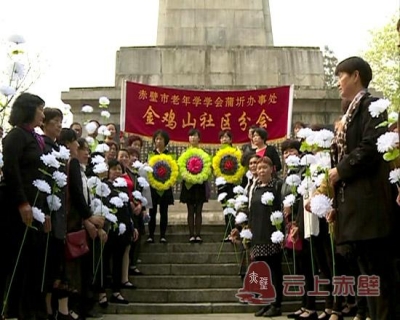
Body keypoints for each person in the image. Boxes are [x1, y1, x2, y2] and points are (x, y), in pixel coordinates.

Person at [329, 56, 396, 320]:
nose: (338, 84)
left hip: (369, 206)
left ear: (356, 75)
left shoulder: (373, 107)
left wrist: (340, 170)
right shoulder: (349, 113)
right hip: (352, 207)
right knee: (366, 273)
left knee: (378, 273)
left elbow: (370, 148)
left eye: (340, 77)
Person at [1, 92, 48, 319]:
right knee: (16, 261)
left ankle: (27, 311)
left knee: (31, 263)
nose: (43, 113)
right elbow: (12, 172)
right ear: (29, 110)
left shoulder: (35, 138)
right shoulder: (16, 136)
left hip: (36, 209)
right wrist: (22, 203)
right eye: (40, 108)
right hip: (17, 210)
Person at [179, 128, 209, 243]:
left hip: (200, 184)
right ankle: (191, 234)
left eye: (195, 136)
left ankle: (198, 234)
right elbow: (181, 168)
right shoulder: (185, 154)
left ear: (199, 138)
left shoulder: (204, 154)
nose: (192, 138)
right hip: (188, 185)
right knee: (190, 210)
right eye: (191, 136)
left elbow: (207, 168)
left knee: (199, 210)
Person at [147, 129, 174, 243]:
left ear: (165, 141)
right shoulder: (150, 155)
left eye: (161, 139)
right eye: (156, 139)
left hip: (166, 187)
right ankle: (151, 235)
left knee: (164, 212)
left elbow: (174, 172)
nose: (158, 141)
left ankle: (163, 235)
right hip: (153, 188)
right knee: (152, 213)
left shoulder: (170, 155)